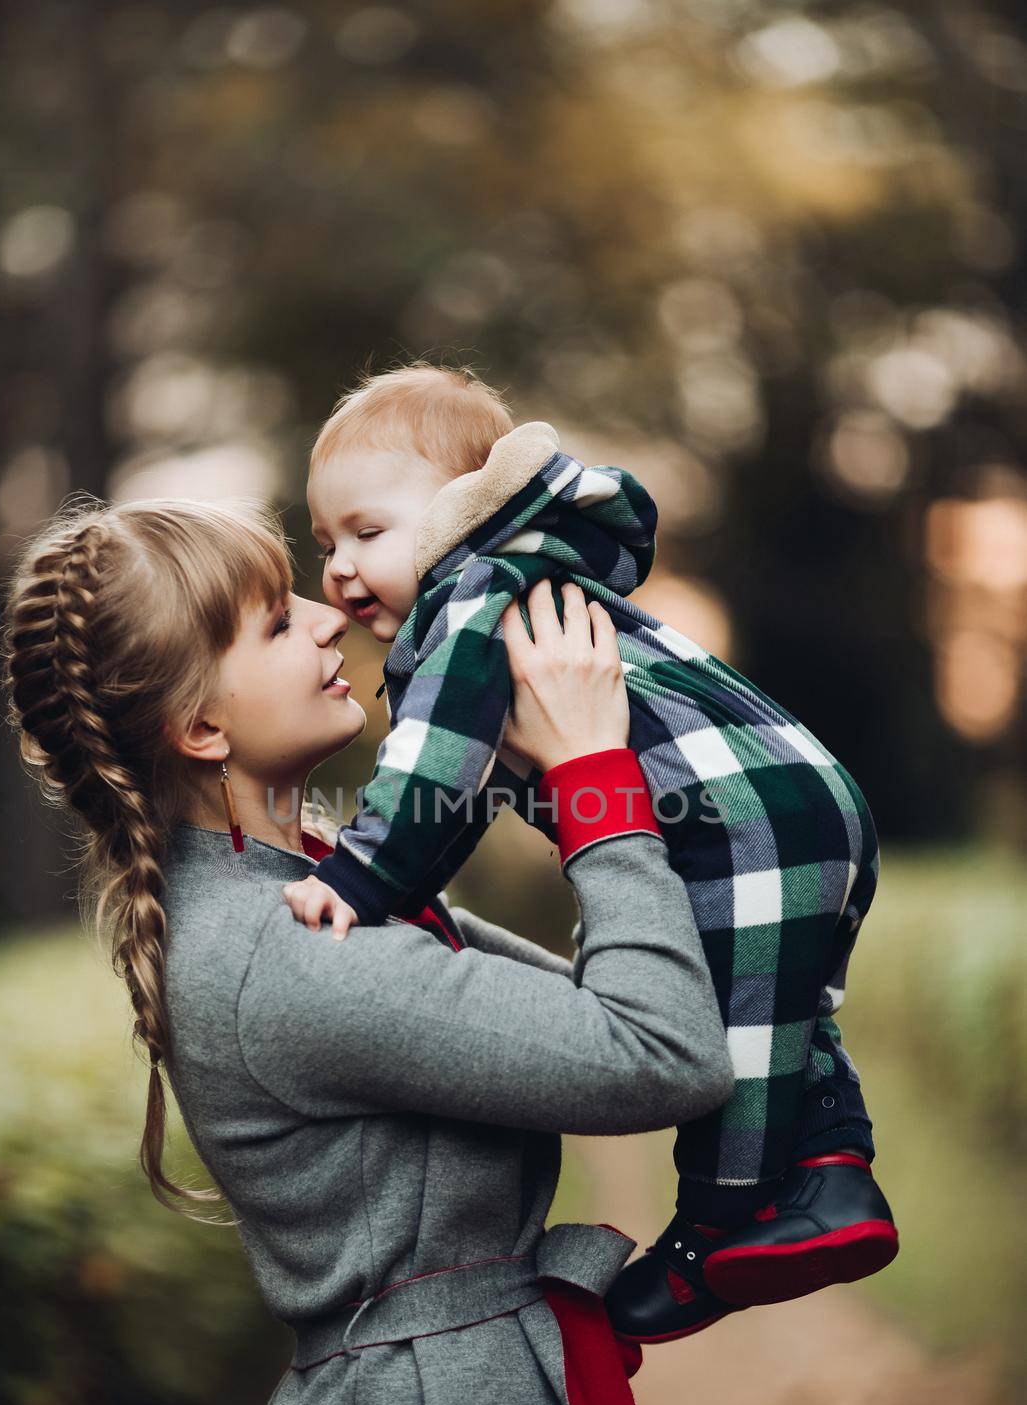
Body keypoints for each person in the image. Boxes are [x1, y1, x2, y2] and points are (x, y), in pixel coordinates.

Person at [0, 495, 738, 1405]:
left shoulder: (315, 888)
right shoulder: (284, 952)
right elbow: (657, 1051)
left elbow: (614, 1011)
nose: (324, 616)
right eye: (268, 621)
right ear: (201, 728)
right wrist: (591, 771)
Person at [299, 361, 900, 1342]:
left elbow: (435, 770)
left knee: (727, 1026)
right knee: (770, 1003)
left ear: (466, 505)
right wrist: (405, 885)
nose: (336, 567)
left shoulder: (472, 588)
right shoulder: (537, 577)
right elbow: (469, 794)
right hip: (805, 802)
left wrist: (361, 874)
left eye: (367, 532)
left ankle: (721, 1227)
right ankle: (833, 1174)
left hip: (733, 827)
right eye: (326, 541)